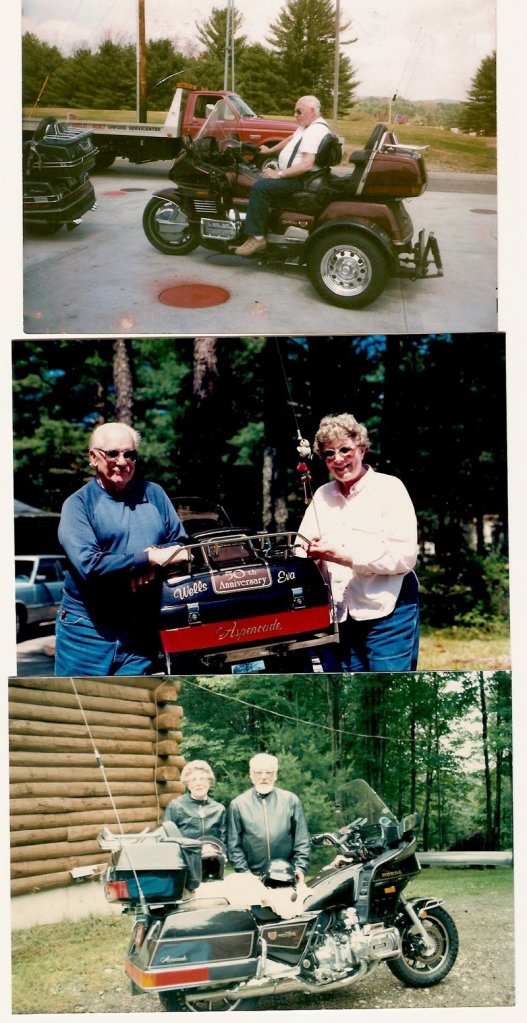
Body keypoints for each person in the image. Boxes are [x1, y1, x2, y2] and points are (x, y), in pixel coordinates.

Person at [55, 421, 189, 676]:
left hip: (140, 630)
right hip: (86, 631)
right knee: (81, 708)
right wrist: (148, 558)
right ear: (94, 457)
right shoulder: (77, 505)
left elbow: (181, 546)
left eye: (130, 454)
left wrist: (154, 562)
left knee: (130, 709)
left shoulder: (155, 493)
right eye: (113, 453)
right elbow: (89, 566)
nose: (123, 461)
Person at [297, 413, 419, 672]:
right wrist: (309, 554)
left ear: (362, 449)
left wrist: (342, 556)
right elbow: (300, 547)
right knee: (353, 696)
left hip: (389, 611)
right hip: (341, 617)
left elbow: (403, 556)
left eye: (345, 450)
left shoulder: (389, 488)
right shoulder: (321, 495)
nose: (338, 459)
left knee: (387, 693)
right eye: (329, 454)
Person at [234, 95, 331, 257]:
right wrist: (270, 151)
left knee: (259, 187)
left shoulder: (315, 131)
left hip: (298, 179)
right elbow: (291, 138)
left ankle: (256, 237)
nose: (295, 115)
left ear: (312, 111)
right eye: (295, 112)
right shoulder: (308, 126)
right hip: (297, 176)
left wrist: (278, 175)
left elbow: (306, 164)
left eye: (299, 112)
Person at [227, 753, 310, 881]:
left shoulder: (291, 801)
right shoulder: (238, 804)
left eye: (269, 772)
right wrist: (245, 873)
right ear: (251, 775)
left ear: (275, 775)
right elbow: (233, 845)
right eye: (259, 772)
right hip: (252, 877)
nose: (264, 777)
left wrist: (300, 867)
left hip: (287, 875)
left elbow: (302, 839)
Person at [163, 760, 227, 845]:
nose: (198, 783)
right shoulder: (176, 806)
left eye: (202, 779)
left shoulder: (219, 809)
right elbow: (168, 838)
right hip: (184, 856)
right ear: (187, 783)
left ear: (209, 781)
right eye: (193, 780)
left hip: (212, 856)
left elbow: (224, 841)